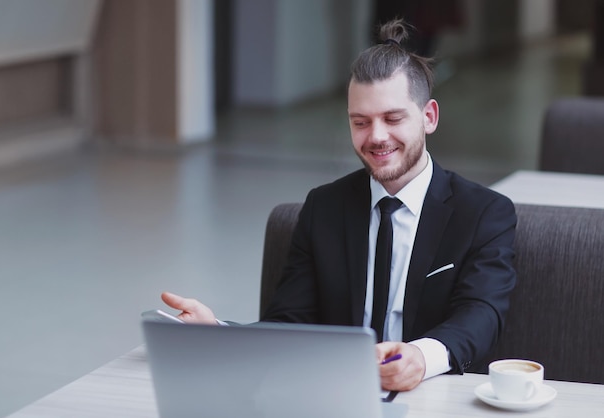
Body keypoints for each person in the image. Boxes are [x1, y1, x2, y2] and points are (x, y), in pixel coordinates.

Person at [161, 18, 516, 392]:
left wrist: (421, 358)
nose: (376, 137)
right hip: (334, 396)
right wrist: (217, 335)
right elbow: (289, 322)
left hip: (433, 394)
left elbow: (482, 313)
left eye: (392, 118)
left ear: (429, 117)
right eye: (360, 122)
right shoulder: (323, 208)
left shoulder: (483, 213)